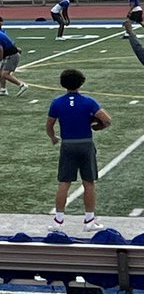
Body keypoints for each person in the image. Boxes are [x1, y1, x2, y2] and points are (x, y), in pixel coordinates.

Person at [46, 68, 110, 233]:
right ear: (81, 82)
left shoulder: (57, 103)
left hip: (67, 144)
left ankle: (58, 221)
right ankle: (89, 220)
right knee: (88, 182)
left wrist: (53, 137)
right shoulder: (89, 102)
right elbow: (106, 120)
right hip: (86, 144)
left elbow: (49, 125)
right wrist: (96, 126)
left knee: (64, 183)